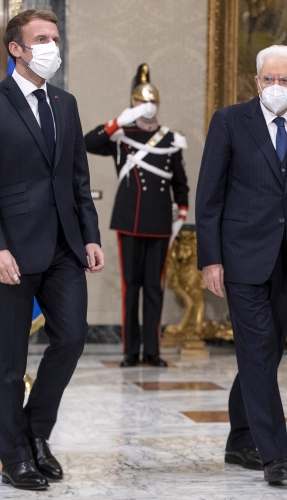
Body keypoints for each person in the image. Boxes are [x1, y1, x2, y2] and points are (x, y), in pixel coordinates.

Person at [0, 9, 104, 491]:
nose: (51, 47)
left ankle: (36, 432)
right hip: (11, 252)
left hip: (65, 246)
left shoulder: (65, 102)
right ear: (16, 49)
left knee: (72, 337)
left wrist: (90, 235)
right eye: (41, 39)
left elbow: (78, 179)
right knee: (9, 361)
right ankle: (15, 457)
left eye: (55, 38)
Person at [195, 45, 287, 483]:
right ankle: (274, 455)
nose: (276, 86)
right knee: (258, 352)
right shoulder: (229, 121)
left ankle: (240, 440)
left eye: (284, 80)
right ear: (256, 81)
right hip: (241, 257)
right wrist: (211, 259)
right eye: (268, 79)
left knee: (266, 354)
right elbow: (209, 195)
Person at [84, 64, 189, 368]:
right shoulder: (122, 137)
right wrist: (119, 121)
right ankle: (130, 351)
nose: (148, 106)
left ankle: (152, 351)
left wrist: (182, 211)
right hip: (130, 220)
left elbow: (180, 182)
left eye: (152, 101)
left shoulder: (170, 139)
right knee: (131, 287)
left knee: (154, 287)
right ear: (133, 104)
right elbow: (88, 142)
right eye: (142, 102)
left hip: (160, 222)